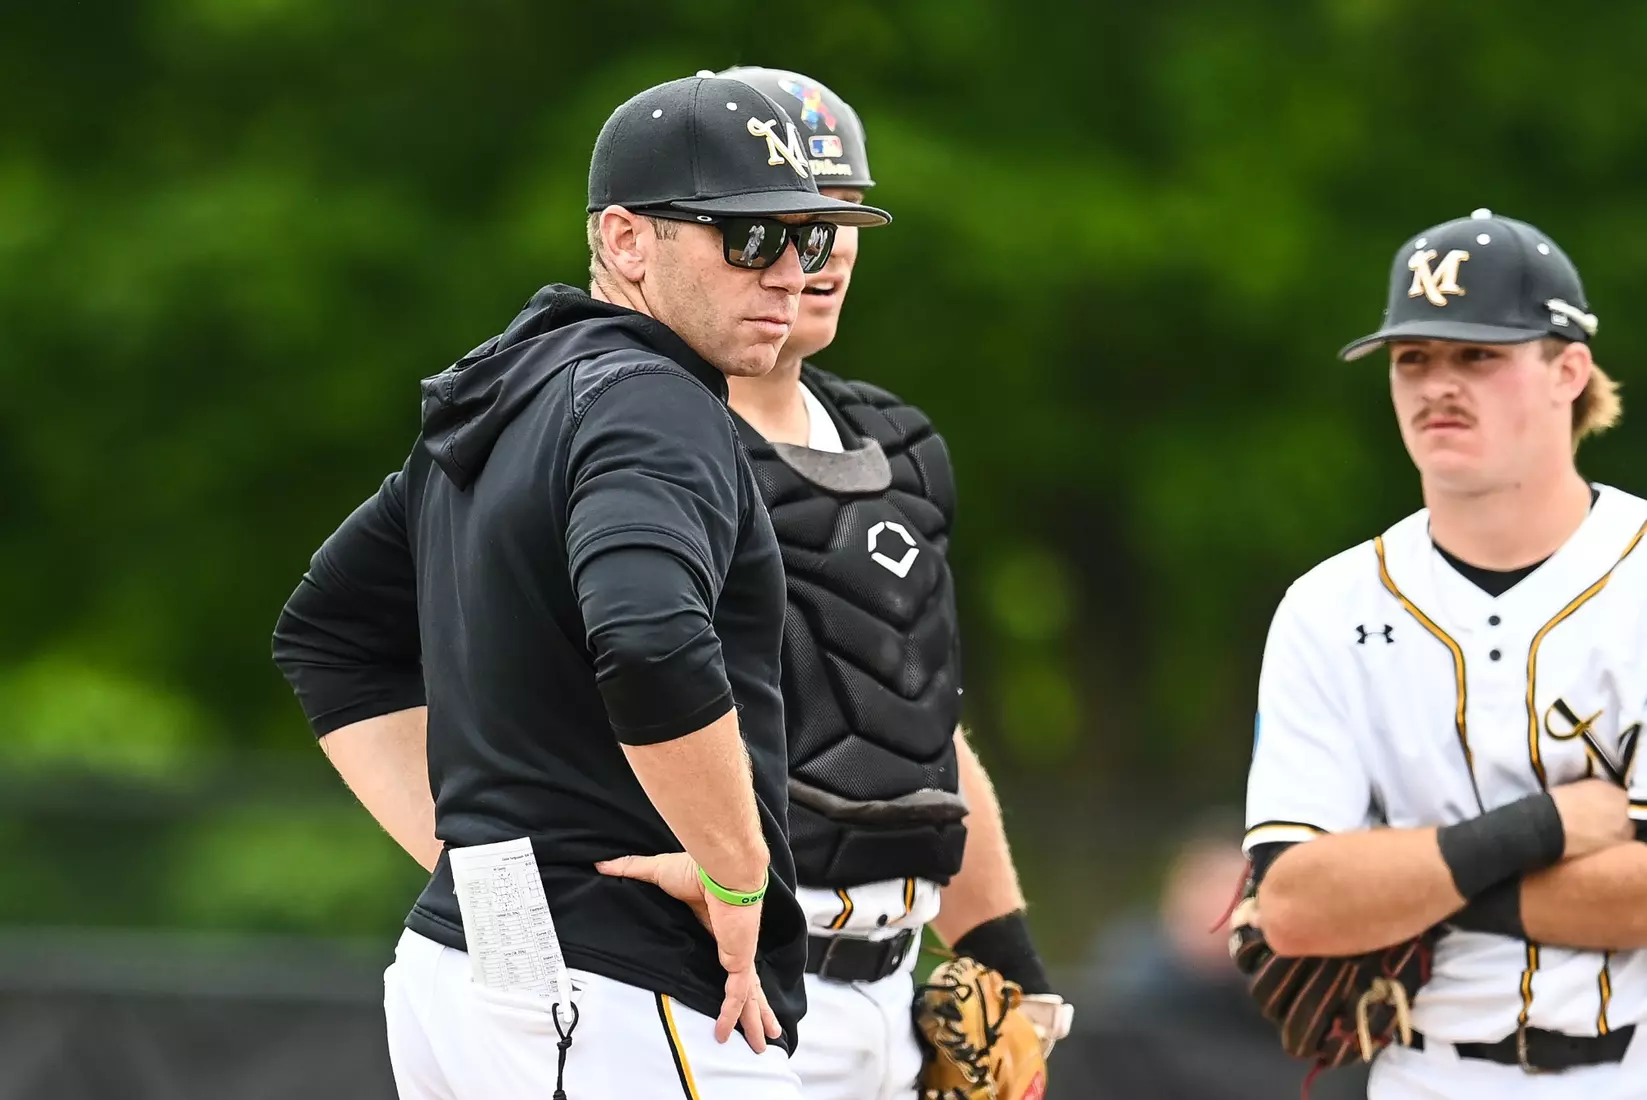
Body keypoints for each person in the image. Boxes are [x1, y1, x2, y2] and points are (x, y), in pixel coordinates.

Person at [270, 71, 890, 1099]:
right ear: (627, 239)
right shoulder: (656, 401)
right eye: (747, 237)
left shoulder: (518, 386)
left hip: (477, 977)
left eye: (813, 237)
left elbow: (330, 633)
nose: (789, 270)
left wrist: (490, 863)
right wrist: (739, 872)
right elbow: (648, 639)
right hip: (616, 999)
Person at [593, 67, 1070, 1100]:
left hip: (894, 997)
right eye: (772, 220)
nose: (811, 250)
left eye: (835, 216)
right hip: (705, 989)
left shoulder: (900, 445)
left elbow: (920, 732)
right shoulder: (624, 439)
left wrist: (1010, 964)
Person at [1242, 207, 1647, 1098]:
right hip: (1423, 1077)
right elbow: (1296, 906)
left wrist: (1411, 881)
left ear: (1566, 371)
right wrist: (1537, 831)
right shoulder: (1326, 610)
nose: (1437, 385)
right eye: (1412, 358)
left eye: (1478, 355)